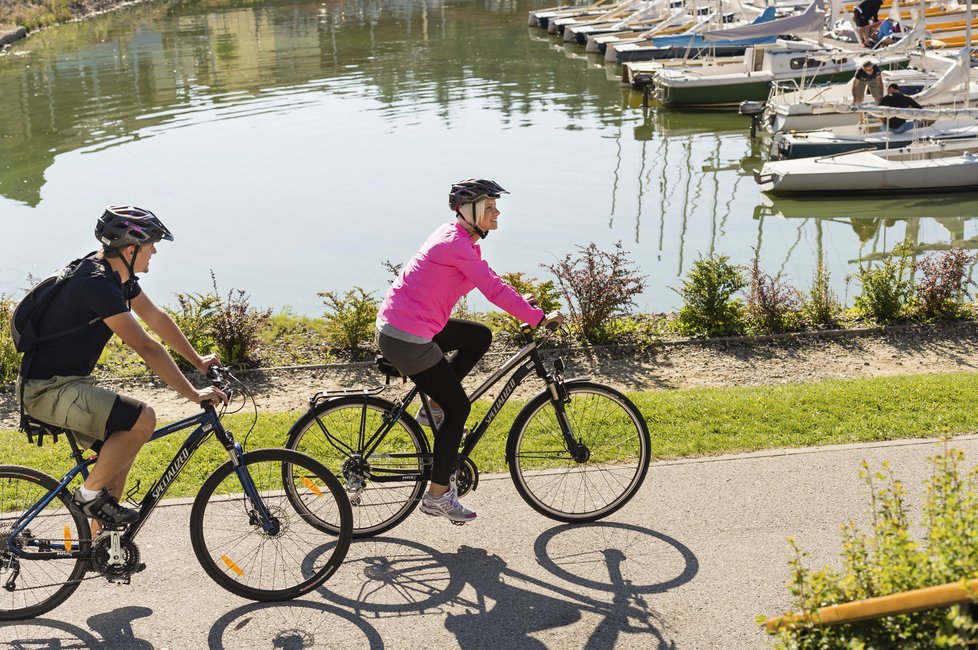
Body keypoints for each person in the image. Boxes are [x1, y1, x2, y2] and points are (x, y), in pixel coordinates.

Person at [18, 206, 227, 528]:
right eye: (151, 245)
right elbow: (145, 346)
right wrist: (193, 393)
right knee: (143, 418)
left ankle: (105, 545)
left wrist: (197, 361)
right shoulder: (96, 284)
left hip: (68, 384)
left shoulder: (116, 276)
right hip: (49, 390)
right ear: (131, 249)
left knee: (120, 451)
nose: (154, 251)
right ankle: (87, 497)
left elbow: (156, 317)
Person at [375, 179, 563, 523]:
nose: (497, 212)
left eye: (495, 206)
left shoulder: (458, 239)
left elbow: (489, 280)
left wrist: (524, 306)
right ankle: (437, 496)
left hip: (410, 324)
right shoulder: (457, 245)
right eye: (489, 207)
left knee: (479, 337)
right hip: (408, 335)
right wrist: (536, 318)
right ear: (469, 210)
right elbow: (492, 289)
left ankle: (432, 408)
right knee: (460, 406)